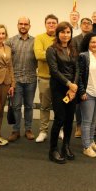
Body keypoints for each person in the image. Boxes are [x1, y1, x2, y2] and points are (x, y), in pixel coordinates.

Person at [46, 22, 79, 164]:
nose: (66, 35)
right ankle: (53, 150)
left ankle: (66, 146)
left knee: (69, 119)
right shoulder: (51, 49)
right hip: (59, 88)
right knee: (59, 119)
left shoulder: (73, 48)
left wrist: (74, 86)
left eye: (68, 32)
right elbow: (54, 71)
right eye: (63, 32)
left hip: (72, 89)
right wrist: (69, 84)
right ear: (57, 34)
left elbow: (77, 69)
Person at [5, 17, 37, 142]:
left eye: (26, 24)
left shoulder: (35, 41)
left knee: (29, 106)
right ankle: (16, 130)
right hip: (16, 80)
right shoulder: (10, 42)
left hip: (31, 79)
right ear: (17, 25)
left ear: (30, 26)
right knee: (16, 106)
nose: (23, 26)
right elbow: (6, 62)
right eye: (21, 24)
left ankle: (28, 129)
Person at [78, 33, 96, 158]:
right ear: (87, 43)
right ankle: (86, 146)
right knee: (87, 121)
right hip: (88, 92)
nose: (95, 44)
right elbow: (79, 75)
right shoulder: (83, 56)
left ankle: (91, 142)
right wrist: (82, 91)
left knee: (93, 121)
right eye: (92, 42)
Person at [34, 14, 58, 143]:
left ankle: (60, 129)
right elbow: (38, 54)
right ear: (45, 24)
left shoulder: (61, 37)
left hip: (59, 79)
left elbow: (65, 54)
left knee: (59, 106)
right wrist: (55, 54)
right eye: (49, 23)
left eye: (54, 23)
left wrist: (48, 53)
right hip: (44, 78)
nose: (51, 25)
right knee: (44, 106)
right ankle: (43, 131)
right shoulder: (39, 38)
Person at [72, 17, 93, 138]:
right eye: (84, 23)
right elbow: (74, 57)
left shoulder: (95, 38)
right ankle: (79, 126)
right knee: (80, 101)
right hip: (79, 73)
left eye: (88, 23)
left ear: (91, 26)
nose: (86, 25)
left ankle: (90, 126)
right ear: (80, 25)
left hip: (92, 74)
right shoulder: (75, 40)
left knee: (91, 100)